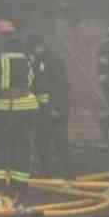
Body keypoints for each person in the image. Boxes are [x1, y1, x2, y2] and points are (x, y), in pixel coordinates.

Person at [0, 19, 38, 199]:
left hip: (5, 107)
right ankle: (19, 187)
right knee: (22, 146)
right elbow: (34, 78)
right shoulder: (27, 54)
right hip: (28, 106)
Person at [25, 33, 72, 178]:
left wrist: (56, 108)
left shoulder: (52, 61)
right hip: (43, 111)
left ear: (37, 47)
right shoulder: (39, 61)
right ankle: (45, 172)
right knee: (41, 141)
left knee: (59, 141)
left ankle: (69, 174)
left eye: (32, 50)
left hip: (54, 110)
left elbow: (60, 86)